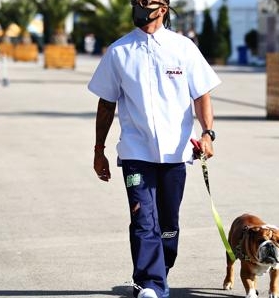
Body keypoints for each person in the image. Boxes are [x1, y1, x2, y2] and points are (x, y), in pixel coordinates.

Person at [87, 0, 220, 297]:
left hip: (176, 152)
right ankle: (150, 284)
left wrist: (208, 134)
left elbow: (201, 95)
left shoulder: (183, 48)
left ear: (163, 8)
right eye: (136, 2)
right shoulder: (119, 51)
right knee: (143, 219)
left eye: (146, 2)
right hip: (136, 152)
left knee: (168, 224)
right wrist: (99, 149)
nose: (139, 7)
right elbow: (106, 103)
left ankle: (160, 270)